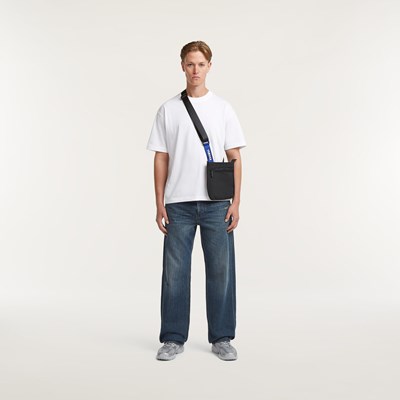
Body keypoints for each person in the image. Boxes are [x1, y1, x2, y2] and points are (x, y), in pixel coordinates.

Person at [147, 40, 246, 361]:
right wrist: (159, 203)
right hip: (178, 203)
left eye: (201, 64)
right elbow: (161, 158)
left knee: (221, 272)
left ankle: (222, 338)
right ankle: (172, 338)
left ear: (209, 67)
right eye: (190, 64)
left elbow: (235, 157)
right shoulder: (169, 109)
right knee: (174, 274)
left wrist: (236, 202)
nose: (195, 70)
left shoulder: (223, 108)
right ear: (182, 66)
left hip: (217, 204)